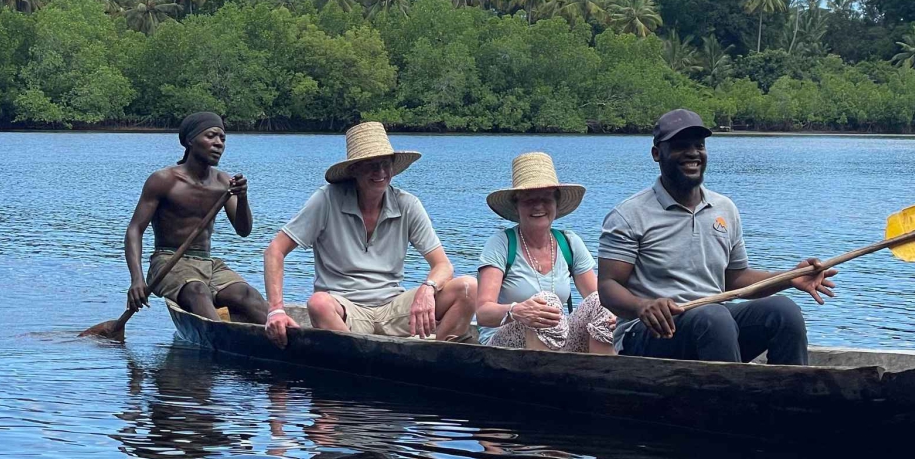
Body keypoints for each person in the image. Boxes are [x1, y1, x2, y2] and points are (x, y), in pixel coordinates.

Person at [596, 108, 835, 364]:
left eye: (699, 145)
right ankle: (730, 401)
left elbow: (736, 279)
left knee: (783, 311)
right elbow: (608, 287)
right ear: (657, 154)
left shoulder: (724, 209)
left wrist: (791, 278)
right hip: (648, 334)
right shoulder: (628, 215)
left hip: (715, 328)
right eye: (679, 146)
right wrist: (641, 306)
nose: (692, 153)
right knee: (714, 317)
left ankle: (790, 399)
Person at [263, 121, 476, 347]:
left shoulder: (407, 204)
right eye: (371, 165)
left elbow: (443, 265)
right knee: (318, 303)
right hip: (345, 309)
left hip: (393, 308)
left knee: (468, 288)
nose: (381, 173)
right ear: (354, 169)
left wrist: (428, 288)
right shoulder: (327, 199)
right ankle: (358, 360)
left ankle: (432, 355)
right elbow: (274, 251)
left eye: (386, 164)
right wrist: (275, 310)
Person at [123, 111, 269, 324]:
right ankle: (220, 336)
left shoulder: (223, 182)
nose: (218, 143)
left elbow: (243, 230)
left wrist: (243, 197)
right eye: (211, 136)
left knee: (247, 295)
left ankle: (284, 336)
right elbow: (134, 230)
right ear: (191, 140)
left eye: (222, 138)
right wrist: (136, 279)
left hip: (207, 262)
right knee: (199, 292)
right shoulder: (164, 180)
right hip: (168, 262)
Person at [474, 152, 617, 354]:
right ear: (517, 206)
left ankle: (603, 378)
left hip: (558, 337)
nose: (539, 206)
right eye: (529, 200)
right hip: (502, 344)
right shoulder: (501, 243)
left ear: (556, 204)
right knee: (546, 302)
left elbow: (596, 297)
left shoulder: (569, 242)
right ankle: (542, 382)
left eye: (546, 199)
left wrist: (618, 315)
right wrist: (516, 311)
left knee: (601, 303)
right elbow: (483, 313)